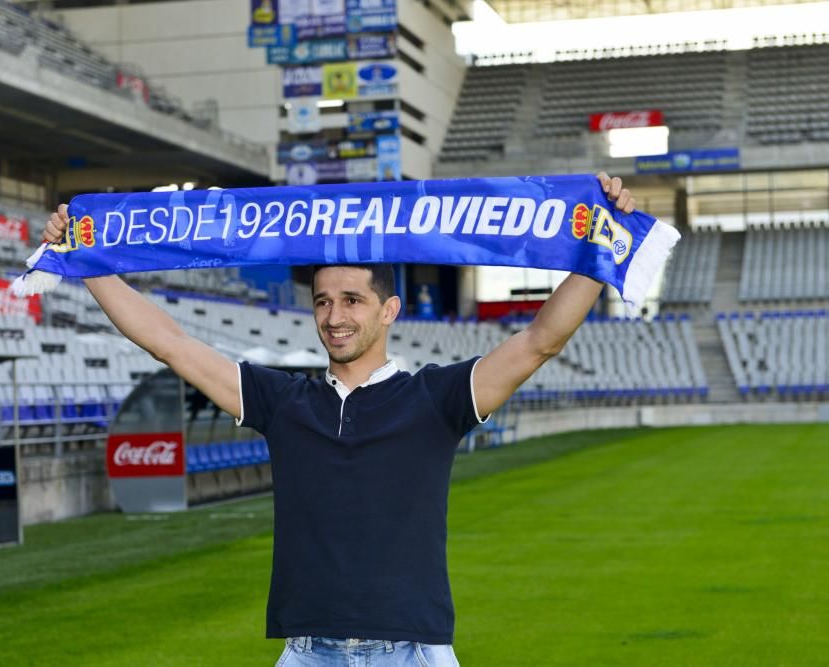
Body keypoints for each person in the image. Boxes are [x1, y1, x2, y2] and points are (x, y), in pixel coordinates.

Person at [42, 173, 637, 666]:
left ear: (389, 310)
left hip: (414, 653)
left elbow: (539, 341)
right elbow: (169, 343)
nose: (334, 316)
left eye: (352, 300)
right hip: (308, 654)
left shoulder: (435, 397)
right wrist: (85, 257)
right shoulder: (283, 401)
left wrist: (600, 242)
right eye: (323, 301)